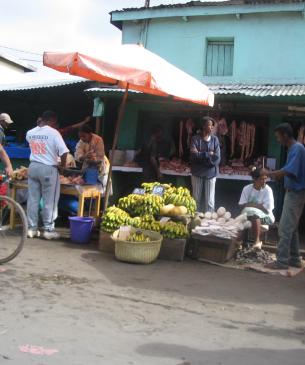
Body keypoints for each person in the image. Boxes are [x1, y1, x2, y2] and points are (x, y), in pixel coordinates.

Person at [264, 123, 305, 269]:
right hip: (295, 192)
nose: (278, 140)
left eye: (278, 136)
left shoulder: (297, 149)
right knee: (291, 227)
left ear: (285, 135)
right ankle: (294, 259)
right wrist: (274, 174)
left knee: (284, 228)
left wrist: (269, 174)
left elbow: (289, 170)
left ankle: (281, 261)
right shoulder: (294, 148)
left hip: (296, 193)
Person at [26, 110, 69, 240]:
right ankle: (48, 229)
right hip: (48, 169)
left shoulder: (30, 133)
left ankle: (31, 228)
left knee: (33, 199)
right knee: (50, 200)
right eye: (55, 122)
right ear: (52, 121)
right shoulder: (54, 133)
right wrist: (62, 167)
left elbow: (33, 146)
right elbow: (64, 151)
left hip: (33, 167)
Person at [239, 167, 275, 249]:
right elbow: (241, 205)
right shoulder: (247, 188)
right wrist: (259, 206)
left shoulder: (268, 190)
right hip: (248, 215)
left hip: (266, 216)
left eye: (265, 179)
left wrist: (250, 204)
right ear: (254, 179)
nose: (264, 181)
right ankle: (242, 242)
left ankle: (257, 241)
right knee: (244, 219)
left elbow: (266, 209)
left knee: (254, 215)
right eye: (261, 179)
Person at [190, 116, 221, 213]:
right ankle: (195, 221)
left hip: (210, 174)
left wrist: (200, 154)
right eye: (209, 125)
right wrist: (208, 154)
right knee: (195, 200)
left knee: (210, 202)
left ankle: (209, 222)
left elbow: (217, 159)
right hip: (197, 174)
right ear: (203, 126)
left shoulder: (215, 140)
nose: (211, 128)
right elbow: (194, 157)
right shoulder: (195, 139)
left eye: (212, 126)